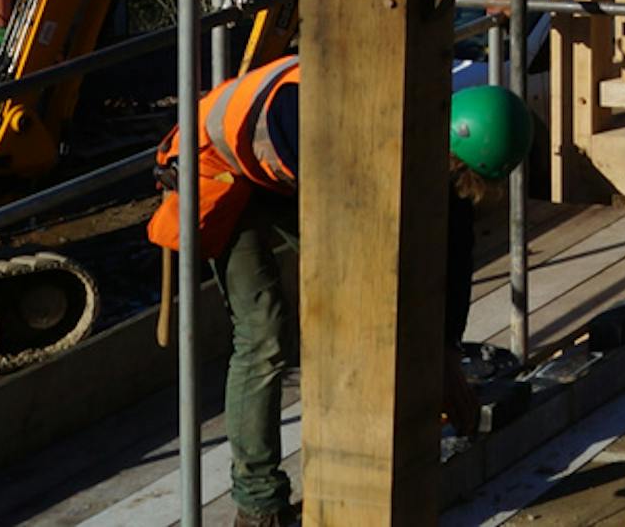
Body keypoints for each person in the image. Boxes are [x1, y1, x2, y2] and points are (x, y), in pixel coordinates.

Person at [151, 54, 535, 527]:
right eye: (459, 176)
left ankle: (372, 458)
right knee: (264, 334)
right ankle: (258, 503)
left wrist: (445, 348)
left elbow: (451, 248)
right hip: (217, 168)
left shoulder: (427, 128)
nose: (456, 187)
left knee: (367, 297)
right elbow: (350, 248)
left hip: (282, 175)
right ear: (452, 147)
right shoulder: (331, 123)